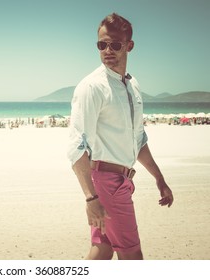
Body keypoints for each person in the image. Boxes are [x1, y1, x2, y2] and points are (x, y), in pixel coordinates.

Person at [67, 13, 174, 260]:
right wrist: (91, 197)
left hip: (121, 181)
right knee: (132, 254)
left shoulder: (132, 85)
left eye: (115, 44)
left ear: (129, 46)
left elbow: (138, 140)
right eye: (101, 44)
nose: (107, 50)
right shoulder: (92, 86)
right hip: (106, 183)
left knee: (103, 249)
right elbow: (76, 146)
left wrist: (159, 179)